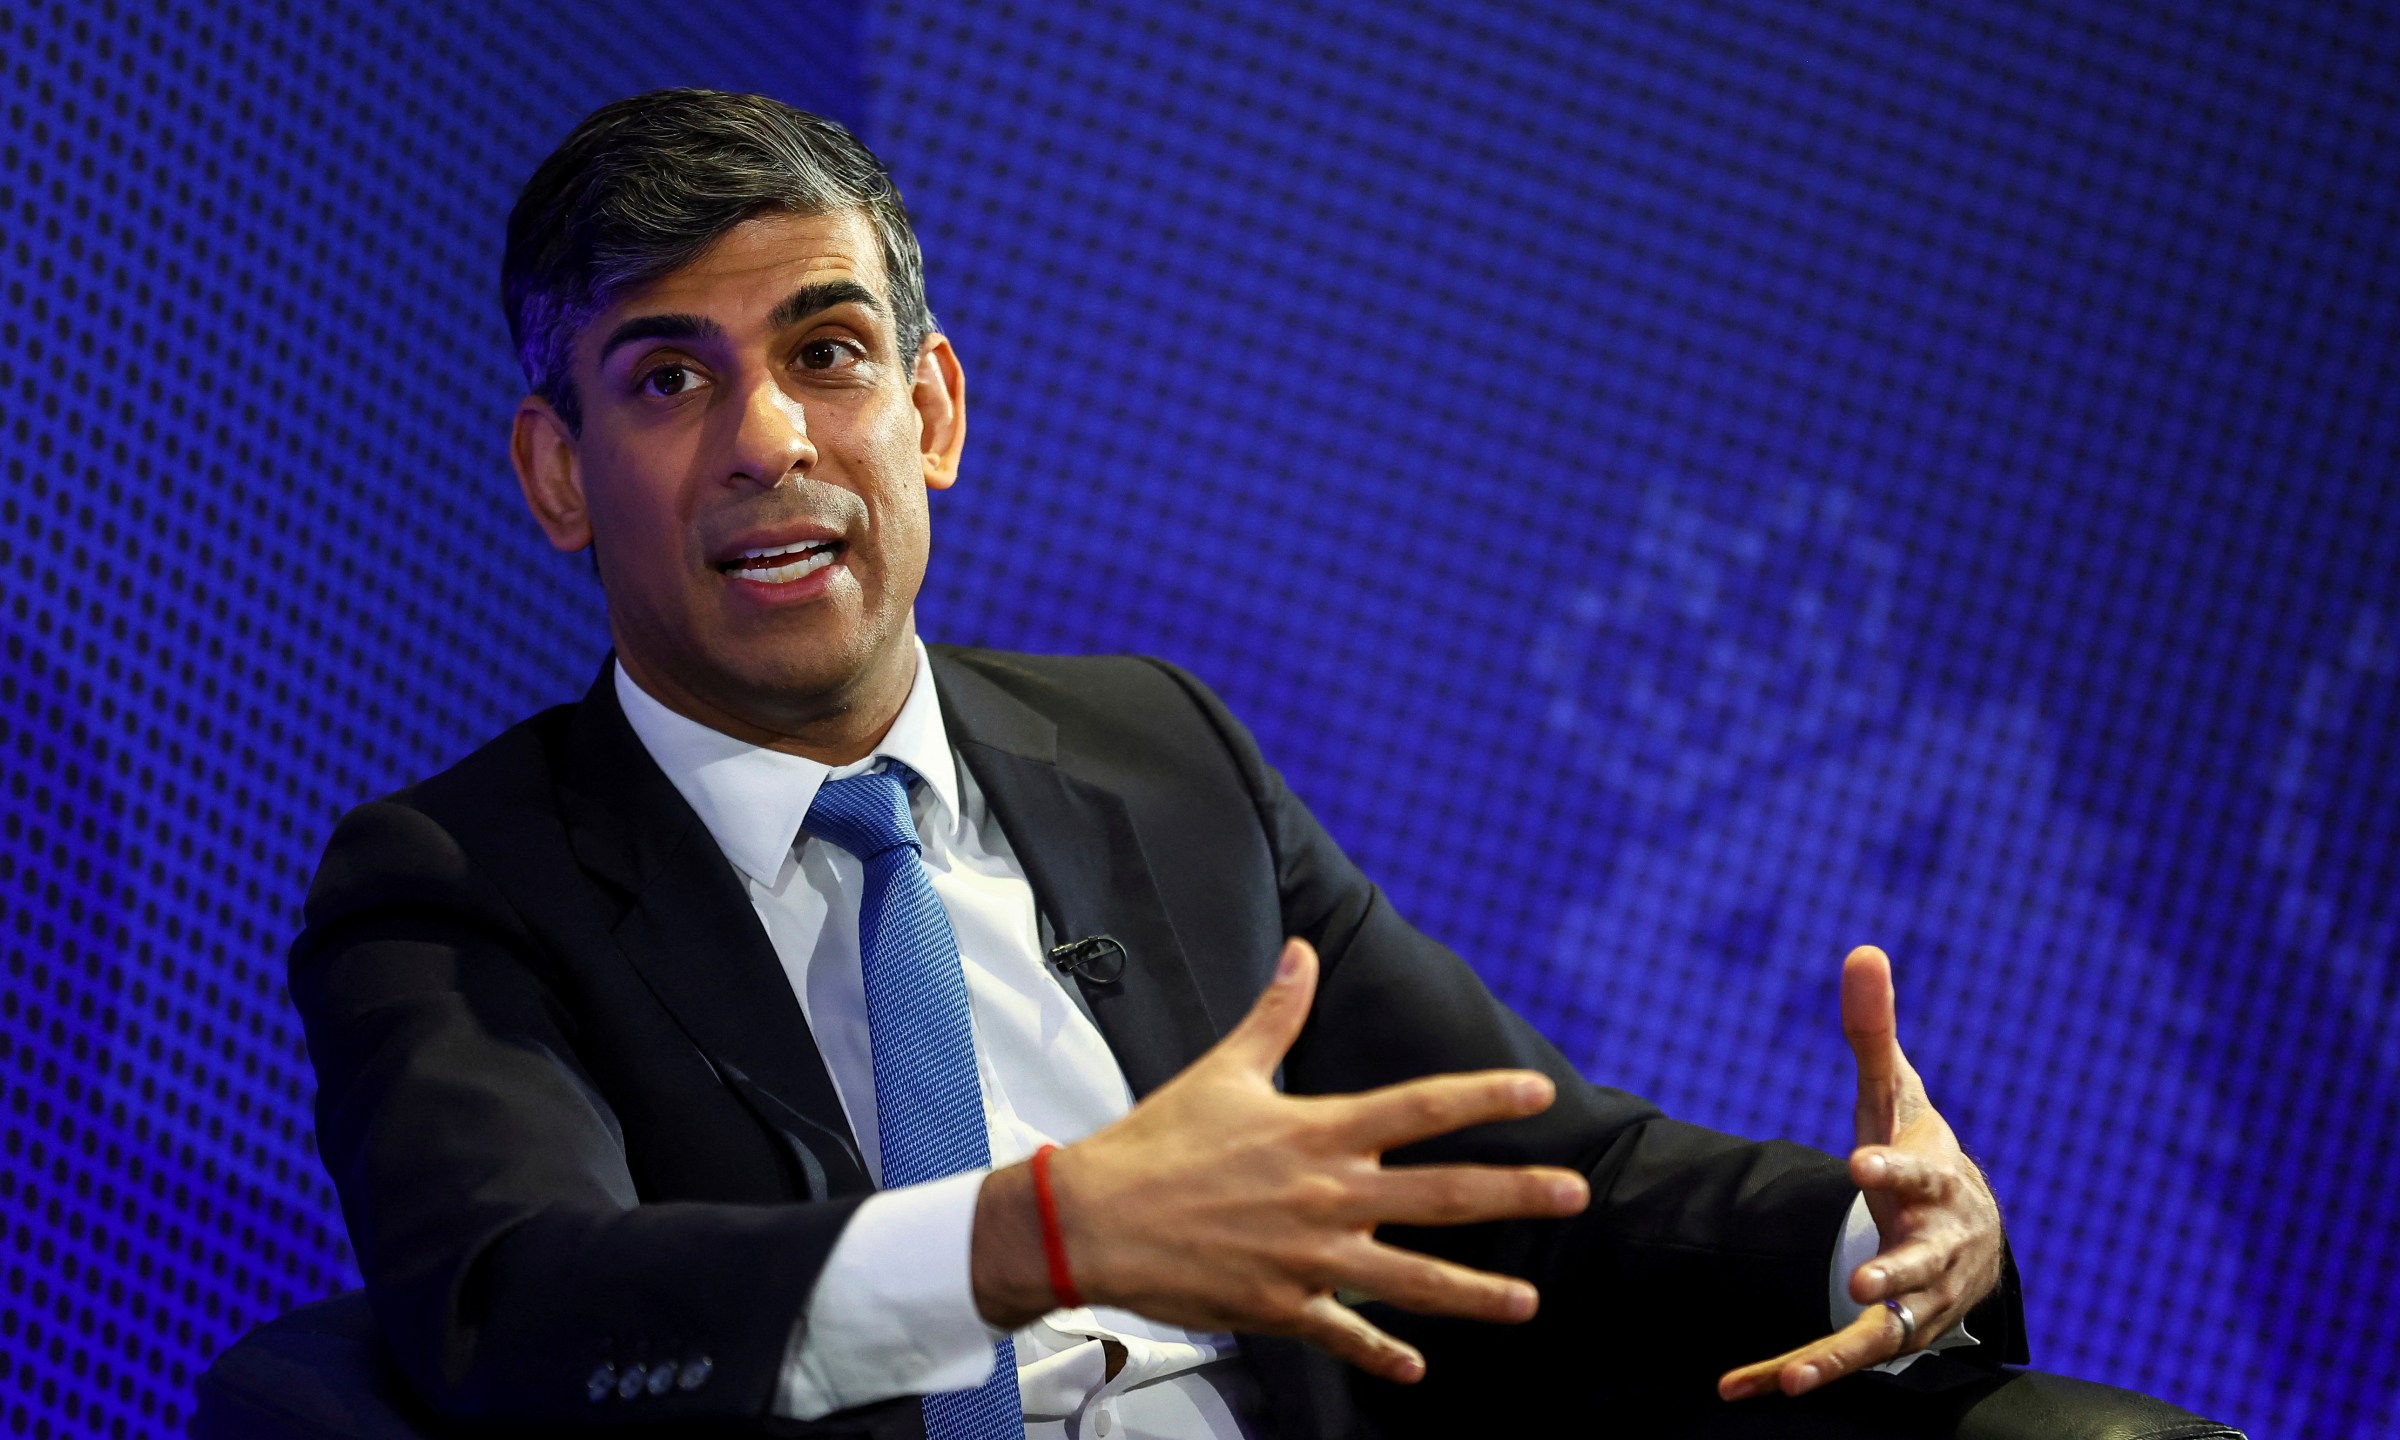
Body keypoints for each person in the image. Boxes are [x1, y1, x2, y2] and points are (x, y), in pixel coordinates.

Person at [290, 88, 2020, 1439]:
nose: (771, 441)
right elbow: (518, 1308)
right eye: (669, 378)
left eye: (828, 354)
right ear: (558, 473)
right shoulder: (454, 883)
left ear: (933, 415)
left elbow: (1518, 1166)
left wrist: (1876, 1235)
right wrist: (1030, 1239)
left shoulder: (1160, 755)